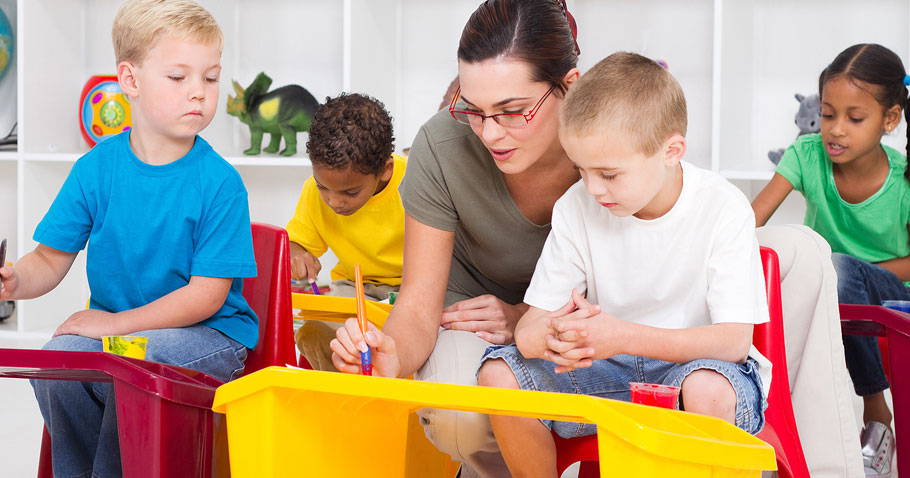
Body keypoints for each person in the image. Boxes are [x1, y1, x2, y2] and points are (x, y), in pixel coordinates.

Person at [330, 1, 863, 476]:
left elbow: (710, 315)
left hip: (622, 330)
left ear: (570, 84)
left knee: (806, 252)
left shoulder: (618, 130)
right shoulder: (502, 173)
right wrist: (390, 355)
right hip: (537, 330)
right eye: (472, 108)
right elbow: (424, 306)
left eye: (514, 111)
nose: (490, 132)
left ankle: (828, 464)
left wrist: (561, 325)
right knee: (473, 403)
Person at [474, 52, 769, 476]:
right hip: (608, 373)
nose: (592, 188)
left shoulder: (722, 206)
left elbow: (732, 343)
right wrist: (555, 337)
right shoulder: (576, 206)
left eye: (609, 175)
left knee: (706, 387)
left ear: (671, 151)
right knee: (499, 374)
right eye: (581, 171)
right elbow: (528, 330)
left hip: (698, 373)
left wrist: (620, 336)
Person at [0, 1, 257, 475]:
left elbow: (206, 296)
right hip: (121, 334)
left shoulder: (220, 183)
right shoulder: (96, 169)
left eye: (211, 77)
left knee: (132, 362)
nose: (199, 94)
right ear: (131, 81)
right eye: (179, 78)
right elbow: (48, 260)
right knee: (60, 359)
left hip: (209, 335)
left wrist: (115, 327)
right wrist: (14, 281)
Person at [752, 43, 910, 477]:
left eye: (854, 119)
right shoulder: (805, 155)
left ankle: (876, 412)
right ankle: (764, 426)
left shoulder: (904, 178)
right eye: (827, 114)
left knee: (836, 268)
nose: (835, 130)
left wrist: (854, 272)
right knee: (808, 273)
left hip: (890, 299)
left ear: (889, 119)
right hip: (829, 294)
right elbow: (752, 220)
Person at [287, 93, 406, 371]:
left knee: (392, 344)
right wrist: (297, 253)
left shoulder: (415, 182)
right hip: (353, 289)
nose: (334, 201)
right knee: (313, 330)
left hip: (409, 291)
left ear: (385, 170)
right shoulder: (314, 192)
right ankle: (344, 402)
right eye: (323, 186)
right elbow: (296, 242)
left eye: (350, 192)